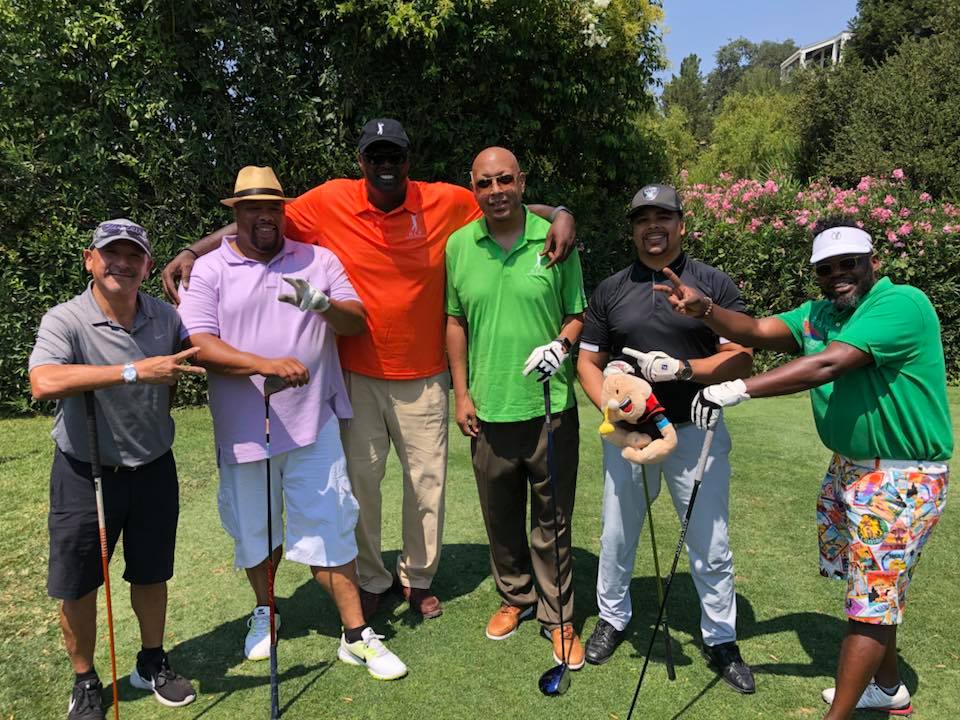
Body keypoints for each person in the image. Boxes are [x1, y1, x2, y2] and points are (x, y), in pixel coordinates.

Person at [161, 118, 577, 620]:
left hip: (424, 375)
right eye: (375, 157)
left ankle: (418, 578)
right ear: (361, 162)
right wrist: (193, 250)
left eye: (394, 157)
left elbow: (507, 205)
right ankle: (372, 577)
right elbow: (260, 218)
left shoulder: (443, 200)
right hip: (354, 373)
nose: (385, 165)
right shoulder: (329, 200)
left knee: (426, 486)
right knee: (362, 486)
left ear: (407, 161)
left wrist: (561, 213)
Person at [664, 218, 951, 719]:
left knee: (870, 603)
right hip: (851, 469)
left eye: (849, 263)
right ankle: (889, 688)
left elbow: (828, 364)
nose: (838, 275)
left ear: (873, 262)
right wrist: (705, 310)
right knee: (872, 591)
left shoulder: (901, 303)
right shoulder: (819, 314)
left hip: (900, 478)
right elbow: (756, 331)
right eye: (826, 268)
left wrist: (738, 388)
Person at [176, 166, 407, 680]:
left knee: (332, 523)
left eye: (274, 208)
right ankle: (266, 610)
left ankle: (355, 634)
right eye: (253, 208)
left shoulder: (318, 259)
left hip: (311, 422)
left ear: (284, 212)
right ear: (236, 213)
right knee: (255, 530)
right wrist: (265, 365)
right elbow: (200, 345)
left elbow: (355, 319)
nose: (266, 217)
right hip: (244, 429)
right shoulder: (209, 270)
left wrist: (319, 303)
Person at [576, 184, 757, 693]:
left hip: (696, 430)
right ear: (632, 229)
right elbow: (588, 361)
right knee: (617, 534)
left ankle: (720, 638)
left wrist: (684, 369)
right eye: (642, 218)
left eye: (663, 216)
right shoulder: (612, 289)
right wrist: (613, 414)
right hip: (630, 437)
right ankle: (613, 617)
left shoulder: (711, 283)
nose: (652, 226)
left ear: (681, 223)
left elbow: (742, 357)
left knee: (710, 542)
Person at [29, 219, 202, 719]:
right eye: (111, 253)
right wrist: (133, 371)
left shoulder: (165, 317)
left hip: (153, 467)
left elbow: (205, 343)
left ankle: (152, 661)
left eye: (134, 256)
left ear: (148, 266)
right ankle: (85, 680)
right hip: (85, 472)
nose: (122, 264)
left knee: (151, 573)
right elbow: (43, 381)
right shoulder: (66, 318)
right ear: (90, 259)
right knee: (78, 584)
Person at [446, 147, 587, 668]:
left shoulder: (554, 238)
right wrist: (461, 393)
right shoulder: (459, 245)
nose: (496, 191)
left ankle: (559, 615)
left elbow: (577, 313)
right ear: (473, 188)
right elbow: (455, 321)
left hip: (550, 406)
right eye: (485, 183)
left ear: (522, 182)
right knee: (500, 515)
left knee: (554, 519)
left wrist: (562, 346)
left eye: (505, 180)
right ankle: (515, 596)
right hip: (489, 407)